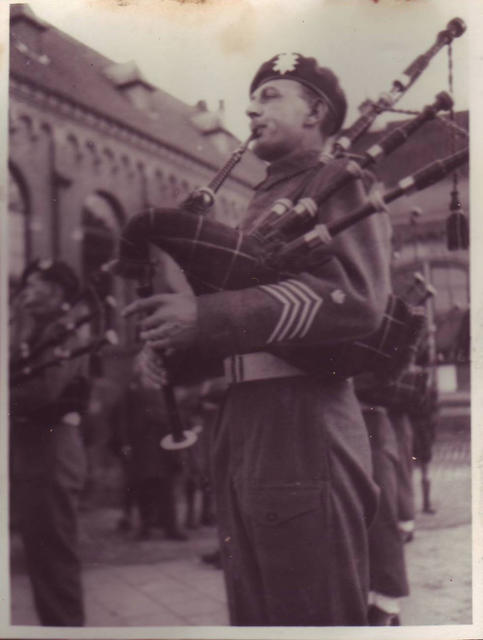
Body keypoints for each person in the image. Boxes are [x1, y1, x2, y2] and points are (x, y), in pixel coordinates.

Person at [124, 53, 391, 626]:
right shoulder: (263, 200)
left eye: (271, 94)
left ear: (316, 111)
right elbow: (245, 326)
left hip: (302, 424)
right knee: (258, 615)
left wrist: (206, 315)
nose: (251, 108)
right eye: (253, 97)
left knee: (309, 615)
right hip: (246, 423)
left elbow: (356, 302)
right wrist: (178, 348)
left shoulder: (341, 182)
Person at [9, 259, 89, 626]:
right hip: (29, 447)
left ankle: (66, 629)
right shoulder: (30, 327)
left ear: (57, 292)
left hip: (51, 448)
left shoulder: (69, 329)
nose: (27, 290)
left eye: (36, 283)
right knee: (38, 552)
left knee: (53, 556)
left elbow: (43, 390)